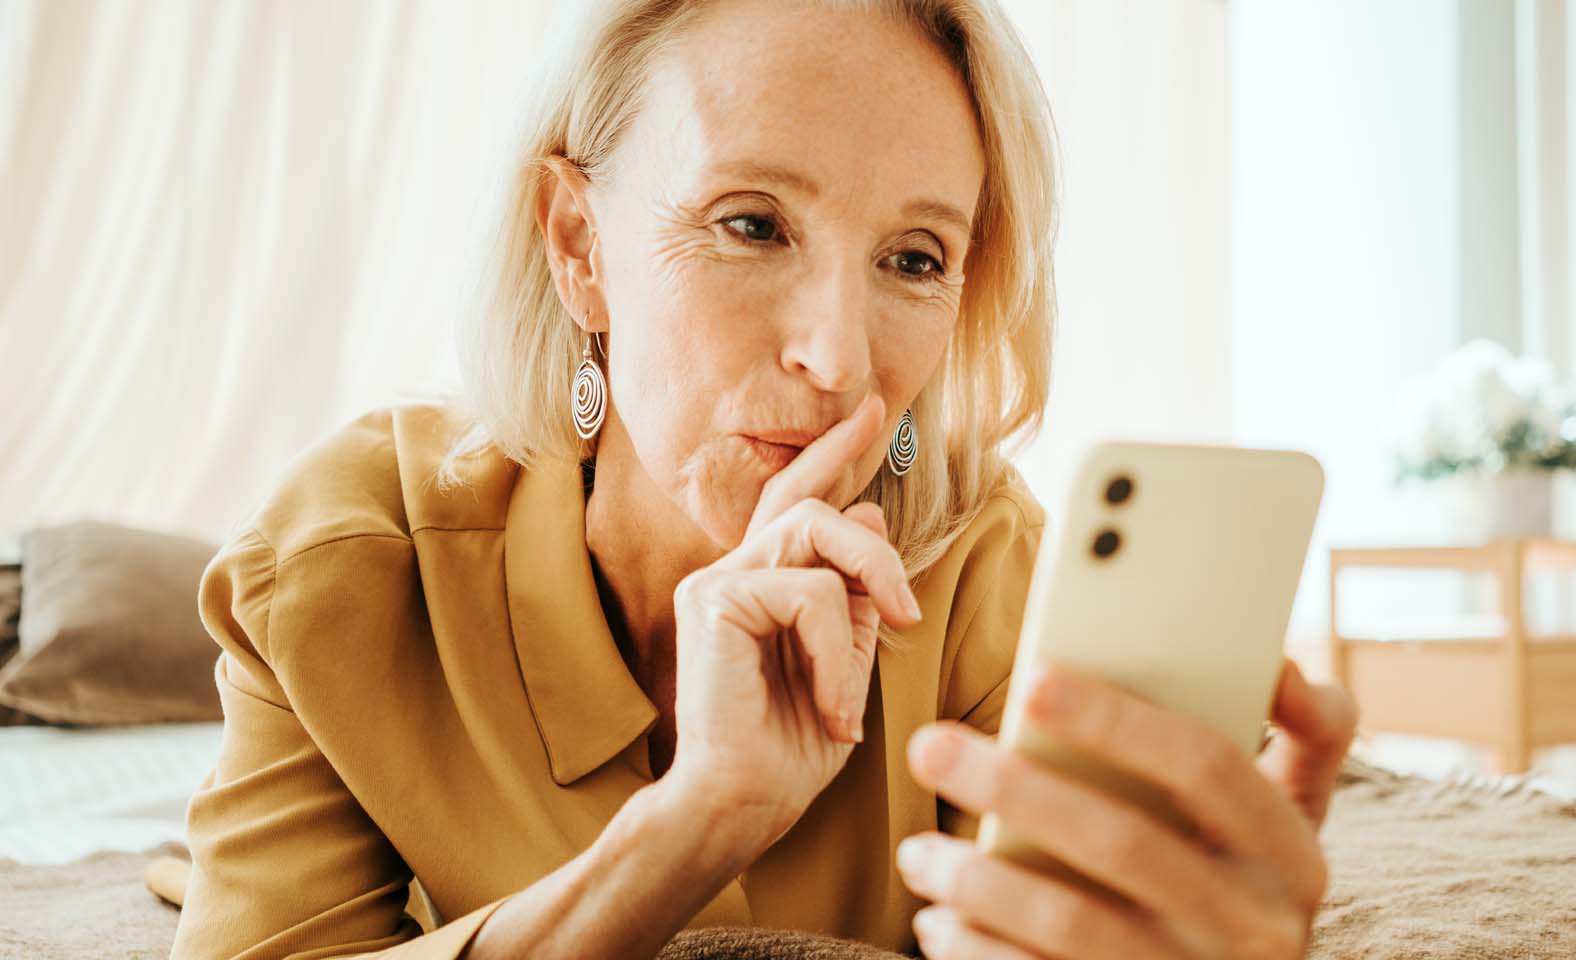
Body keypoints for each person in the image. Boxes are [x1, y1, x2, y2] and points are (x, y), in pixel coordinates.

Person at [169, 1, 1357, 957]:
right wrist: (695, 824)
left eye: (913, 258)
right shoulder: (347, 561)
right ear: (578, 245)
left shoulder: (992, 578)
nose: (840, 359)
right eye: (751, 225)